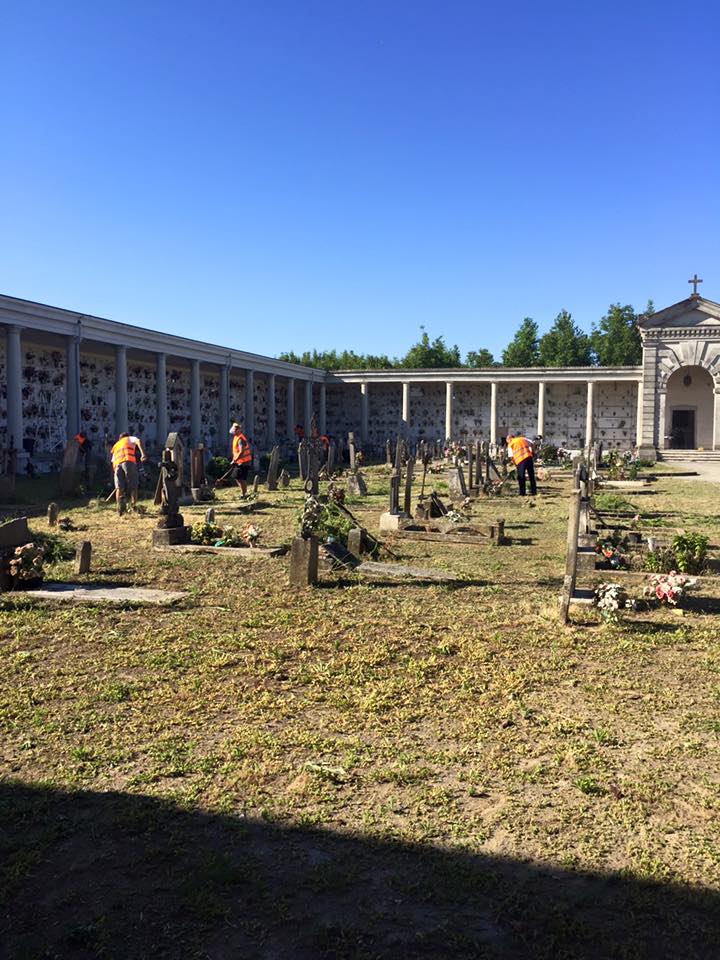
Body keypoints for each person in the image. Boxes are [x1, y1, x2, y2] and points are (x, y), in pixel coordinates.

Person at [110, 431, 148, 514]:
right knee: (133, 485)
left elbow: (112, 461)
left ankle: (119, 508)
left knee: (119, 488)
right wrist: (143, 454)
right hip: (128, 461)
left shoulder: (116, 445)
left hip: (117, 465)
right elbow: (138, 441)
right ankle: (133, 506)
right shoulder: (129, 438)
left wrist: (115, 472)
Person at [231, 425, 252, 497]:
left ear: (238, 430)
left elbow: (241, 451)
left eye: (235, 430)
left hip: (244, 462)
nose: (233, 432)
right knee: (237, 477)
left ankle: (244, 494)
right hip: (239, 461)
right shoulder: (236, 437)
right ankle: (244, 493)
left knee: (241, 478)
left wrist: (234, 460)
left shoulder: (240, 439)